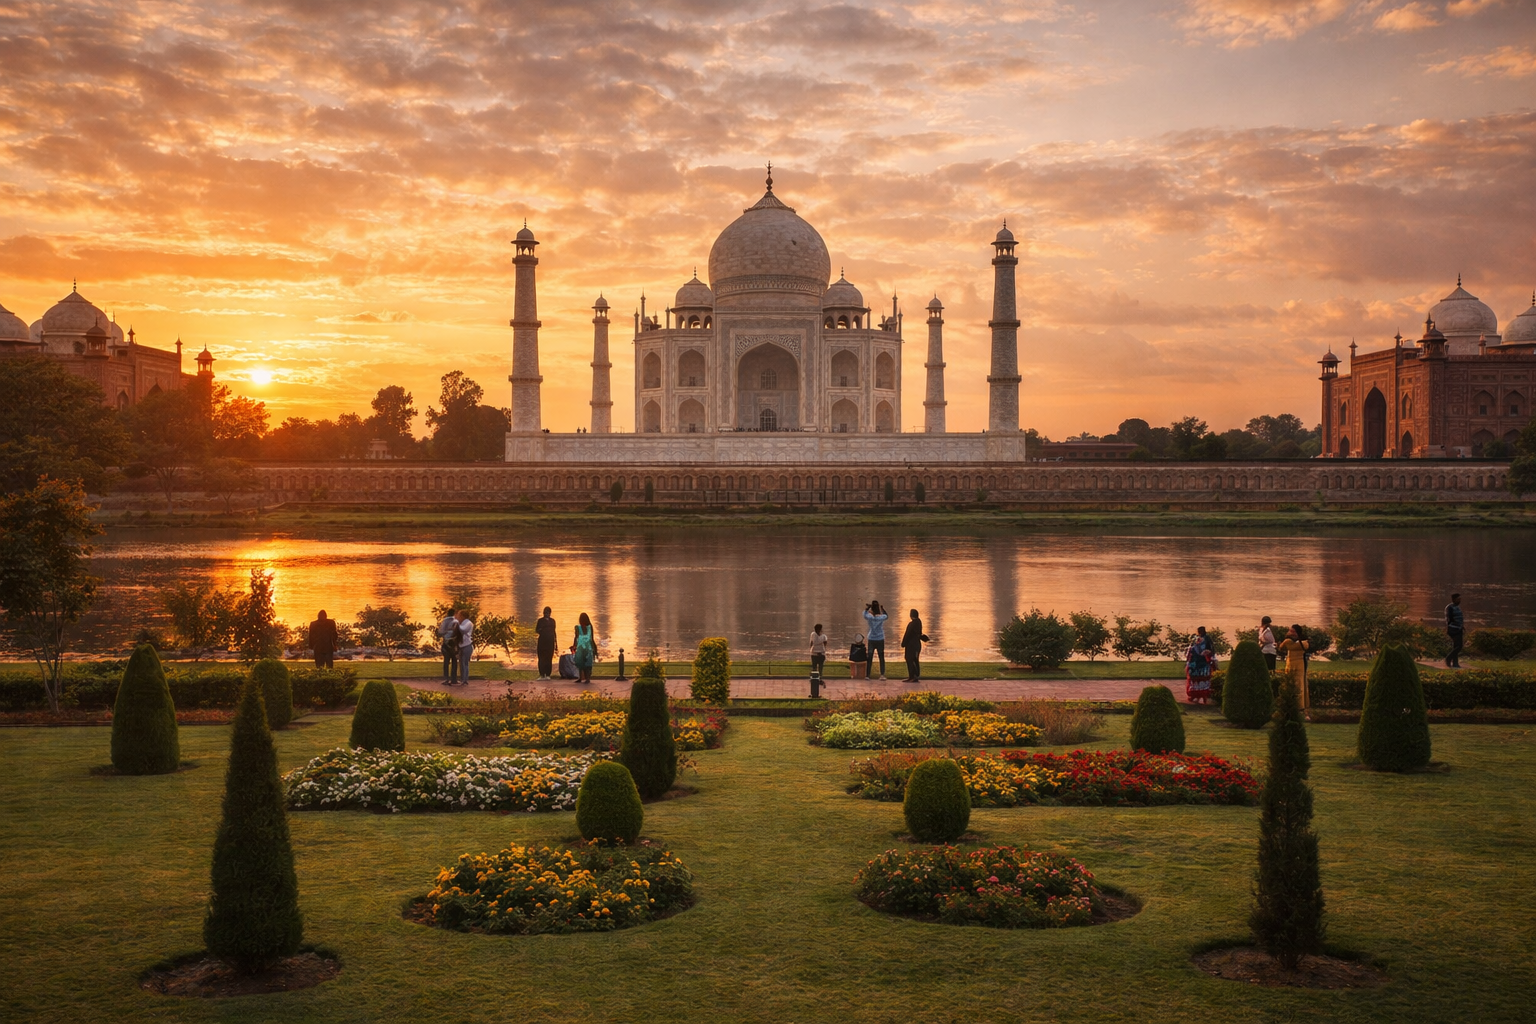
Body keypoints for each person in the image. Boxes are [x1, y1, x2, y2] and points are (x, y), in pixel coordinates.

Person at [1279, 624, 1310, 715]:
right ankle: (1289, 704)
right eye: (1290, 631)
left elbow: (1284, 646)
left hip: (1299, 664)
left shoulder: (1300, 642)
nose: (1290, 633)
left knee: (1299, 684)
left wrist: (1288, 638)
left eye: (1293, 631)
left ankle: (1300, 707)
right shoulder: (1294, 642)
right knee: (1289, 683)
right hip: (1290, 664)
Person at [1184, 626, 1215, 704]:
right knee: (1197, 679)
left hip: (1203, 662)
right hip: (1197, 663)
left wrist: (1209, 655)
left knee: (1202, 679)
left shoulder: (1206, 638)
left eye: (1199, 631)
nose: (1199, 632)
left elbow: (1211, 649)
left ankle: (1203, 696)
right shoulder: (1197, 639)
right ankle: (1196, 696)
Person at [863, 600, 889, 680]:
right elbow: (886, 615)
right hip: (880, 638)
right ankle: (882, 674)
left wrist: (867, 608)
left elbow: (864, 614)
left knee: (869, 657)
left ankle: (867, 675)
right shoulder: (881, 617)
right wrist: (882, 609)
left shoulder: (870, 617)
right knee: (881, 656)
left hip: (871, 638)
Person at [901, 608, 928, 683]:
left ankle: (912, 676)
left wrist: (903, 643)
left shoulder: (912, 624)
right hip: (917, 644)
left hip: (911, 645)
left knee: (909, 659)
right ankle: (915, 676)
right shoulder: (919, 622)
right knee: (915, 659)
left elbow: (907, 634)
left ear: (911, 615)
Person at [572, 612, 597, 685]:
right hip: (586, 647)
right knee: (583, 664)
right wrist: (594, 648)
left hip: (584, 647)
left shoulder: (588, 627)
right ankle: (585, 678)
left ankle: (583, 678)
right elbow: (591, 639)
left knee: (584, 664)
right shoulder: (581, 627)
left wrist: (574, 645)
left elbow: (576, 638)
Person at [535, 607, 557, 680]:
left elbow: (554, 632)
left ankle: (548, 674)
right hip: (542, 641)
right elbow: (537, 630)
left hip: (550, 642)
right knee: (541, 658)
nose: (546, 614)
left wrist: (556, 643)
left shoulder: (552, 621)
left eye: (547, 612)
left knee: (549, 658)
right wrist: (543, 630)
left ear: (550, 613)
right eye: (545, 612)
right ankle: (542, 674)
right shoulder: (540, 621)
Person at [438, 610, 459, 684]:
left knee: (446, 661)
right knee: (454, 661)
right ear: (454, 613)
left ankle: (446, 679)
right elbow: (458, 632)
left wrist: (445, 633)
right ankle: (454, 679)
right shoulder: (456, 621)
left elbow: (440, 632)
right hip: (453, 643)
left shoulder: (444, 622)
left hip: (446, 642)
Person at [455, 608, 474, 685]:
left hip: (466, 646)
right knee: (461, 663)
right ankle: (463, 679)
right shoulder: (461, 623)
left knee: (464, 663)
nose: (457, 617)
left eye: (459, 615)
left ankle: (465, 680)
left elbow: (463, 630)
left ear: (463, 616)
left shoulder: (468, 623)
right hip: (461, 646)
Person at [1446, 593, 1464, 668]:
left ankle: (1455, 663)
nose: (1459, 601)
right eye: (1458, 599)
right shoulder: (1450, 607)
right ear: (1454, 599)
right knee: (1459, 646)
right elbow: (1449, 618)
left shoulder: (1457, 607)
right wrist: (1455, 625)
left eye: (1460, 599)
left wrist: (1461, 626)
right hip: (1453, 629)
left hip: (1459, 628)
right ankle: (1448, 658)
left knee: (1456, 646)